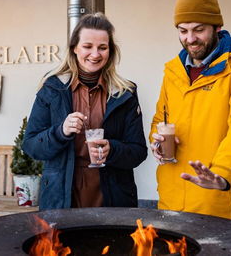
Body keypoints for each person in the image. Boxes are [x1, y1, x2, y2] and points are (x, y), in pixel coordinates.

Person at [150, 0, 231, 225]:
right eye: (183, 31)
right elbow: (160, 120)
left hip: (220, 204)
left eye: (198, 30)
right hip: (171, 204)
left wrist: (221, 174)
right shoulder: (172, 72)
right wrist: (157, 143)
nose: (190, 39)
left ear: (217, 27)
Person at [23, 12, 147, 210]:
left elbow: (138, 152)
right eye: (87, 46)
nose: (95, 54)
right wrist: (60, 131)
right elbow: (30, 146)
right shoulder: (52, 88)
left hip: (113, 197)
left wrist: (112, 149)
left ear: (111, 51)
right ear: (74, 48)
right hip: (61, 198)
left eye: (102, 47)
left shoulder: (125, 93)